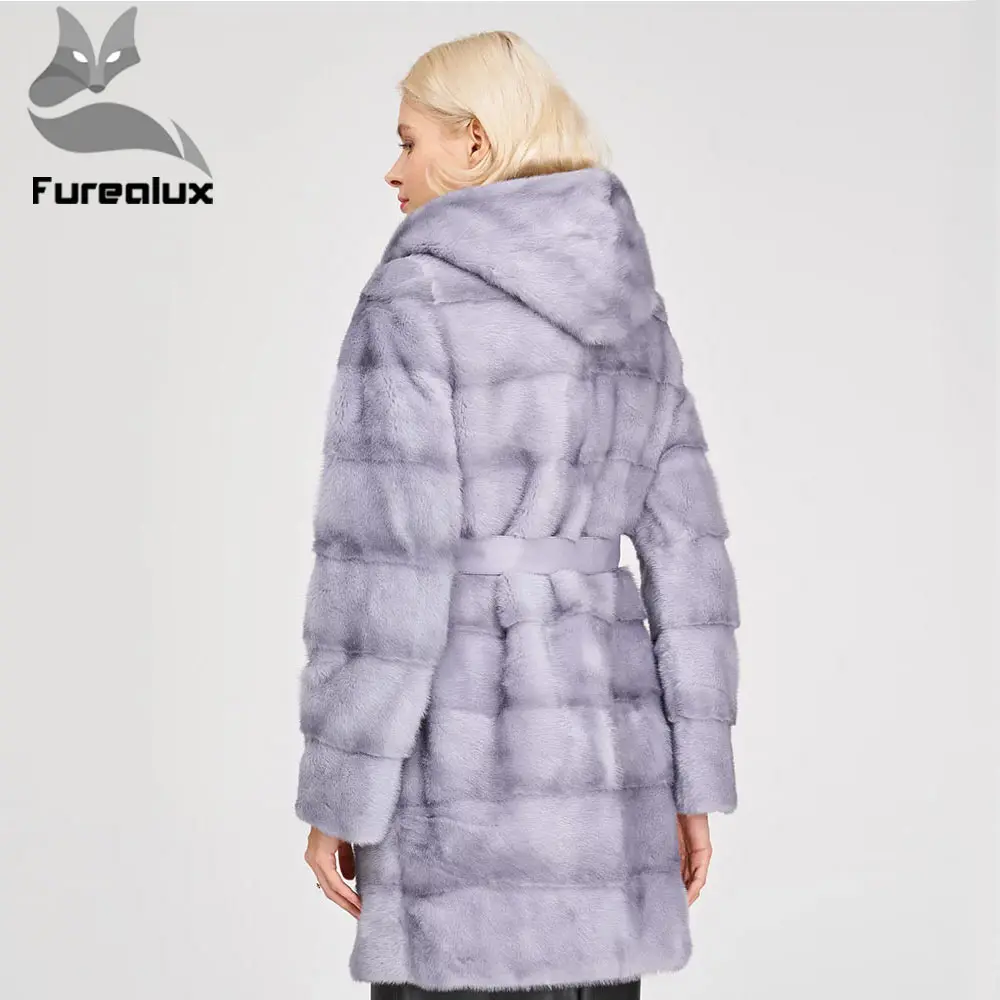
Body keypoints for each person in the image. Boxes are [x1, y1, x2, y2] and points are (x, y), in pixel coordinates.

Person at [294, 29, 741, 1000]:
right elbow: (689, 560)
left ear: (475, 142)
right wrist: (693, 778)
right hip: (610, 779)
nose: (392, 170)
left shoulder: (415, 291)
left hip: (465, 788)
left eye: (408, 140)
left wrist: (341, 788)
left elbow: (385, 567)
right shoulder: (635, 307)